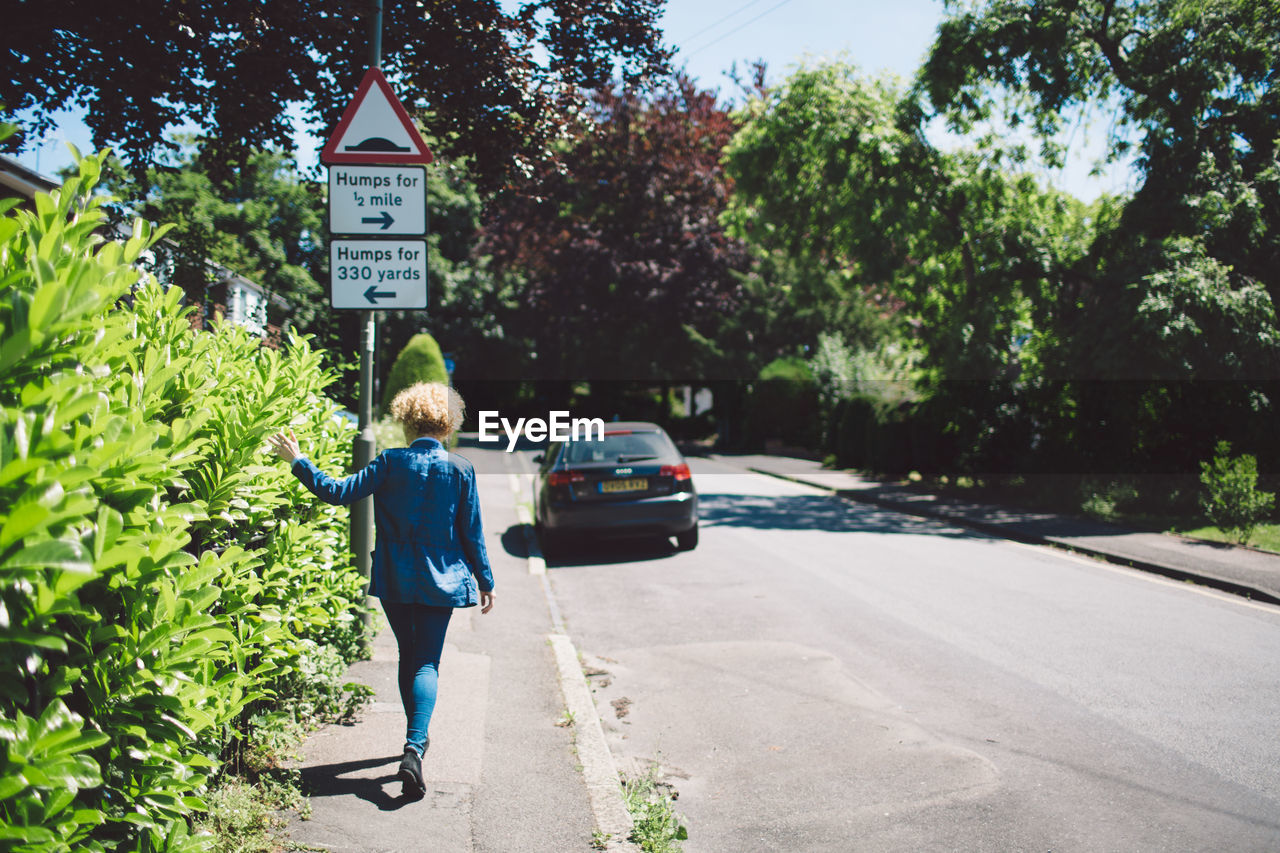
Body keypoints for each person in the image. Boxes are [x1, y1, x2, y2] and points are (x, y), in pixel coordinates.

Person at [267, 382, 495, 801]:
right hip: (441, 581)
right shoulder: (461, 470)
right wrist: (486, 580)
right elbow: (471, 532)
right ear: (448, 424)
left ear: (406, 420)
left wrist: (298, 460)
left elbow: (336, 493)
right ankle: (414, 747)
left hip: (394, 577)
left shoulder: (390, 462)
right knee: (426, 662)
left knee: (409, 657)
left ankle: (415, 742)